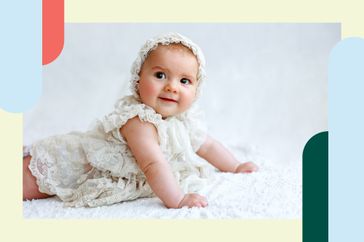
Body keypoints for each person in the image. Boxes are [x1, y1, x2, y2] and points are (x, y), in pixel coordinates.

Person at [23, 32, 258, 209]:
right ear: (137, 80)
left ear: (197, 89)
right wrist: (178, 199)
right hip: (70, 164)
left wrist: (235, 166)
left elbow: (208, 145)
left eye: (184, 81)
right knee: (24, 183)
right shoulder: (139, 120)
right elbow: (152, 164)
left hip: (83, 164)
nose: (171, 86)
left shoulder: (184, 121)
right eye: (160, 75)